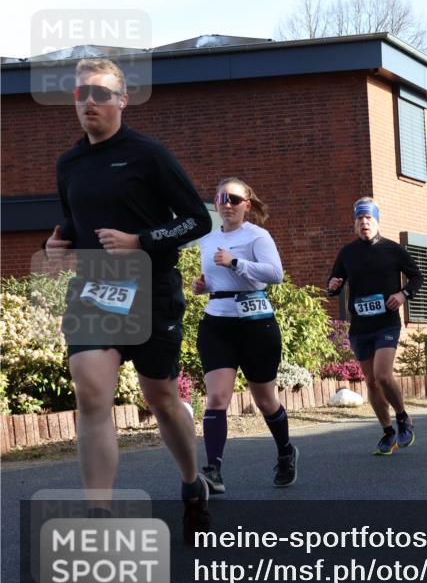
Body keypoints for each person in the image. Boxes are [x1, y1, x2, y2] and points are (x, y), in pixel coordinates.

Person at [45, 58, 212, 541]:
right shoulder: (69, 163)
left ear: (122, 100)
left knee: (159, 397)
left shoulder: (148, 154)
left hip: (152, 290)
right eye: (81, 94)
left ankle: (191, 483)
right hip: (97, 288)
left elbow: (197, 221)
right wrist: (59, 244)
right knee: (91, 388)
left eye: (100, 93)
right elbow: (76, 227)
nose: (89, 103)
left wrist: (141, 240)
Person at [191, 177, 292, 493]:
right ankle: (214, 469)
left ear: (247, 204)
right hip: (217, 322)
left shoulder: (257, 236)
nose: (227, 204)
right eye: (222, 198)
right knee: (217, 398)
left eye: (234, 199)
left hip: (255, 324)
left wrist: (235, 261)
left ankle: (286, 452)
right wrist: (203, 285)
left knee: (265, 400)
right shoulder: (207, 241)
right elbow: (213, 278)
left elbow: (275, 274)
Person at [327, 197, 422, 455]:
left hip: (386, 324)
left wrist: (403, 295)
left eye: (368, 218)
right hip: (360, 326)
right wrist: (333, 286)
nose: (364, 222)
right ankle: (388, 431)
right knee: (370, 382)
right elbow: (334, 281)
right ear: (354, 224)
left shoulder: (392, 249)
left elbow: (417, 276)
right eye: (359, 219)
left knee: (382, 374)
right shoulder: (347, 253)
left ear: (377, 221)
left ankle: (403, 417)